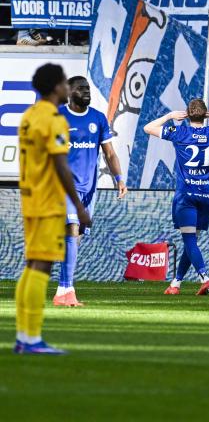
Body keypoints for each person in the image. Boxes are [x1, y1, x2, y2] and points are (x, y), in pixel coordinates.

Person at [15, 63, 90, 354]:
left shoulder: (29, 115)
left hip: (30, 198)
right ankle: (31, 338)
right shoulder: (54, 119)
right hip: (48, 200)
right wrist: (80, 208)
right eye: (62, 82)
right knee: (41, 267)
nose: (65, 87)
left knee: (32, 265)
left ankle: (24, 335)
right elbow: (60, 164)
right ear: (55, 87)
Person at [144, 98, 209, 295]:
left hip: (186, 197)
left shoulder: (180, 133)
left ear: (186, 114)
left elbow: (148, 128)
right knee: (190, 241)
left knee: (189, 240)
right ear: (206, 114)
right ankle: (176, 284)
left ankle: (204, 278)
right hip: (205, 196)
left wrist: (169, 116)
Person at [53, 76, 127, 307]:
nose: (86, 91)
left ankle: (61, 288)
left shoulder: (98, 118)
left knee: (76, 238)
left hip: (89, 189)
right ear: (69, 92)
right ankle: (67, 292)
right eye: (81, 88)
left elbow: (110, 153)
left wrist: (119, 178)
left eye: (87, 88)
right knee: (72, 230)